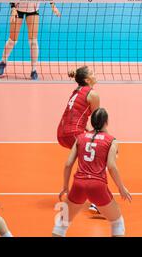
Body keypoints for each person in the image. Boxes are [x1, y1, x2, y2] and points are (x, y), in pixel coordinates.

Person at [52, 108, 132, 237]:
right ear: (106, 122)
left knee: (62, 224)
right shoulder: (111, 140)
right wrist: (121, 188)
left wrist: (65, 187)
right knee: (117, 222)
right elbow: (111, 166)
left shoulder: (80, 138)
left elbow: (68, 164)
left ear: (92, 121)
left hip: (78, 185)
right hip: (97, 186)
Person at [57, 66, 100, 214]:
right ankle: (96, 202)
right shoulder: (93, 94)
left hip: (62, 132)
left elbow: (77, 115)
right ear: (87, 80)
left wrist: (86, 133)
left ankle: (70, 190)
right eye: (92, 73)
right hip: (73, 133)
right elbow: (98, 124)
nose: (96, 75)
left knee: (84, 160)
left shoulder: (76, 91)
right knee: (96, 158)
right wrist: (109, 142)